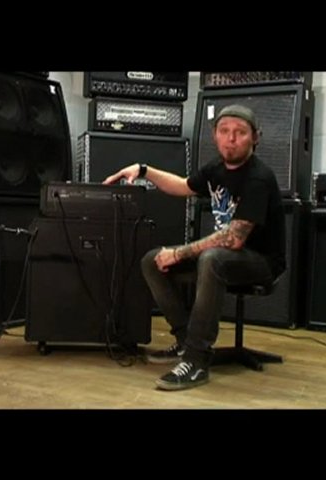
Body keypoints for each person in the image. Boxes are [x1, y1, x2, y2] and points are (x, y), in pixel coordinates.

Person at [103, 104, 286, 391]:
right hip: (224, 258)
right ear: (215, 135)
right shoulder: (216, 168)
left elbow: (234, 239)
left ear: (255, 137)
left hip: (261, 262)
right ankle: (184, 340)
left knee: (212, 258)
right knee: (152, 260)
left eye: (240, 132)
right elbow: (182, 186)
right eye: (224, 131)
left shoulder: (258, 178)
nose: (231, 139)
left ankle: (196, 360)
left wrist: (178, 253)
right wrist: (143, 170)